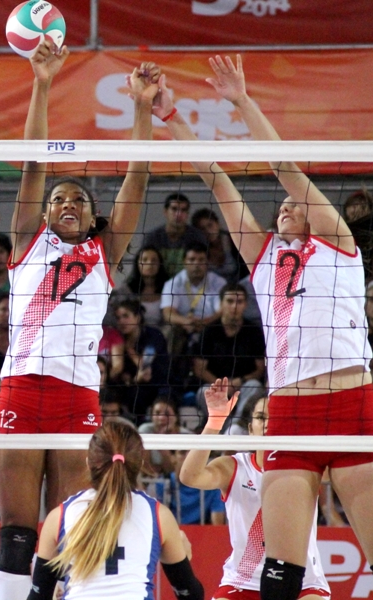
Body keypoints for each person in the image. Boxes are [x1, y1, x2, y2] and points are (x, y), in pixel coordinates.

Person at [158, 54, 373, 600]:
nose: (283, 209)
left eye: (291, 207)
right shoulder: (264, 260)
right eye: (278, 208)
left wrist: (241, 101)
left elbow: (285, 169)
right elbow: (216, 181)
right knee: (280, 578)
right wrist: (171, 118)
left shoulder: (338, 244)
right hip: (290, 413)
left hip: (352, 405)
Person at [0, 42, 158, 599]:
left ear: (92, 216)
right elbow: (35, 160)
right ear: (44, 212)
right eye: (60, 198)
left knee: (64, 526)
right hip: (21, 389)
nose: (69, 203)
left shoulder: (103, 255)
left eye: (80, 201)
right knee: (17, 533)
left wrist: (141, 107)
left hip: (75, 395)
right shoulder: (26, 242)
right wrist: (42, 81)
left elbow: (137, 178)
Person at [179, 379, 330, 599]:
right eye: (261, 417)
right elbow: (189, 477)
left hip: (303, 581)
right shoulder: (234, 467)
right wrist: (214, 422)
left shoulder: (306, 466)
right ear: (250, 429)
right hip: (243, 581)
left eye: (275, 417)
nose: (268, 423)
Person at [27, 420, 204, 600]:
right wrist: (185, 558)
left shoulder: (59, 516)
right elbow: (191, 595)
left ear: (88, 463)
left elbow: (37, 597)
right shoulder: (159, 515)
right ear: (140, 464)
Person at [191, 283, 266, 432]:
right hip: (216, 384)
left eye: (239, 302)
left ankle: (235, 429)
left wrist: (240, 381)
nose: (234, 306)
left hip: (243, 384)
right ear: (221, 304)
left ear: (245, 305)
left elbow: (260, 368)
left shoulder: (254, 332)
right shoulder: (209, 331)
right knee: (202, 392)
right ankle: (220, 430)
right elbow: (199, 369)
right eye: (230, 301)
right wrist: (221, 386)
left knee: (254, 386)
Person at [111, 299, 170, 420]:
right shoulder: (117, 339)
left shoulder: (153, 335)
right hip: (132, 387)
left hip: (159, 383)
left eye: (125, 316)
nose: (121, 321)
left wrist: (129, 350)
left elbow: (146, 366)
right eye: (118, 318)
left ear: (137, 318)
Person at [142, 193, 207, 278]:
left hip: (188, 286)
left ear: (188, 213)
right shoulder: (152, 237)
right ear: (165, 211)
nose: (179, 214)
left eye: (183, 210)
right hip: (158, 287)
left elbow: (205, 267)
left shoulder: (197, 236)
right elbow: (141, 267)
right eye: (174, 209)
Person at [114, 245, 170, 328]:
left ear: (160, 264)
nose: (150, 263)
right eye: (144, 260)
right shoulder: (126, 290)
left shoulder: (168, 288)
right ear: (137, 264)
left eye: (154, 260)